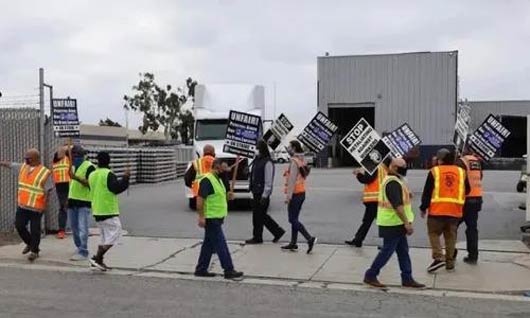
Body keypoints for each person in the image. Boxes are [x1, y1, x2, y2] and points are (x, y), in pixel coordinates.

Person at [364, 158, 425, 289]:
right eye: (402, 166)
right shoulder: (392, 183)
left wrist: (407, 195)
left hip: (395, 223)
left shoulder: (397, 180)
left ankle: (407, 278)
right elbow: (398, 206)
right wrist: (407, 223)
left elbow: (400, 199)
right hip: (392, 223)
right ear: (394, 167)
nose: (405, 168)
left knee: (403, 251)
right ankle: (371, 275)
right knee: (387, 251)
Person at [420, 148, 470, 273]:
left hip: (437, 210)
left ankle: (438, 257)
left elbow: (427, 192)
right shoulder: (461, 172)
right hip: (454, 211)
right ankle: (450, 263)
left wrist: (423, 207)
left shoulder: (434, 171)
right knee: (450, 237)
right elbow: (467, 190)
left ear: (440, 159)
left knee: (434, 233)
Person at [194, 158, 244, 280]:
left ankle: (201, 269)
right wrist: (201, 217)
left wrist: (229, 196)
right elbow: (200, 200)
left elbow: (219, 197)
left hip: (217, 217)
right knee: (221, 244)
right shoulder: (207, 180)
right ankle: (229, 269)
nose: (226, 170)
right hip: (211, 218)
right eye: (224, 168)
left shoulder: (219, 180)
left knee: (208, 244)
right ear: (217, 167)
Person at [0, 149, 53, 261]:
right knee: (19, 226)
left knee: (35, 230)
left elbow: (48, 190)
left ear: (35, 158)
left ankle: (34, 251)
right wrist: (1, 162)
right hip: (23, 206)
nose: (25, 159)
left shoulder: (44, 172)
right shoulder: (23, 167)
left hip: (36, 207)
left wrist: (44, 205)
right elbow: (10, 164)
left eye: (28, 158)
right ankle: (30, 244)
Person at [88, 152, 130, 271]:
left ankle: (99, 261)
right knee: (116, 233)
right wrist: (126, 178)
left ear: (97, 161)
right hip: (108, 210)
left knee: (104, 236)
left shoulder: (92, 174)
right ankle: (97, 257)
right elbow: (116, 188)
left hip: (96, 209)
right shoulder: (108, 174)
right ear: (109, 161)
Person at [246, 140, 285, 244]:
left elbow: (268, 181)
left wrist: (265, 195)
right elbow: (254, 175)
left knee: (259, 216)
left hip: (262, 193)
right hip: (255, 191)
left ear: (262, 149)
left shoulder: (268, 162)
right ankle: (276, 232)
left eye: (257, 148)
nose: (256, 150)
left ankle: (259, 237)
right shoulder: (256, 160)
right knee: (259, 216)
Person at [281, 140, 317, 253]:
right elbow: (306, 174)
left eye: (290, 147)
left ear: (294, 148)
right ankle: (293, 243)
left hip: (295, 193)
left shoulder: (294, 161)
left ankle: (309, 239)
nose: (289, 149)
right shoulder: (302, 160)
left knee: (292, 219)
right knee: (294, 219)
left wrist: (288, 196)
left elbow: (291, 180)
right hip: (302, 193)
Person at [346, 163, 388, 247]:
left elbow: (368, 179)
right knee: (370, 221)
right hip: (379, 198)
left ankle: (388, 243)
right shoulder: (383, 166)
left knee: (370, 221)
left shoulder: (373, 166)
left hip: (374, 198)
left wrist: (358, 174)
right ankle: (358, 240)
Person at [67, 145, 95, 261]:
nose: (74, 158)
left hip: (84, 201)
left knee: (83, 228)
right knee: (74, 227)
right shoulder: (72, 167)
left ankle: (83, 251)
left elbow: (90, 183)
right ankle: (79, 247)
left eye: (76, 156)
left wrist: (76, 178)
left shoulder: (89, 167)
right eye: (72, 156)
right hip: (73, 200)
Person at [456, 149, 483, 264]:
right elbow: (480, 177)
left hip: (464, 199)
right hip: (476, 198)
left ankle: (451, 253)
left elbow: (458, 179)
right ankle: (473, 256)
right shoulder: (476, 161)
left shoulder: (461, 162)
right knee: (472, 228)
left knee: (452, 227)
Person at [184, 145, 216, 210]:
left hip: (198, 195)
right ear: (214, 154)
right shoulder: (218, 162)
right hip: (214, 196)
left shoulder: (196, 163)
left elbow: (187, 179)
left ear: (203, 154)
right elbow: (225, 180)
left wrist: (193, 187)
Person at [52, 145, 71, 239]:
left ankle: (75, 228)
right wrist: (67, 146)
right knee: (63, 207)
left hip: (70, 183)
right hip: (61, 185)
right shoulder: (56, 158)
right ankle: (62, 230)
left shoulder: (69, 158)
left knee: (73, 206)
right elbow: (61, 151)